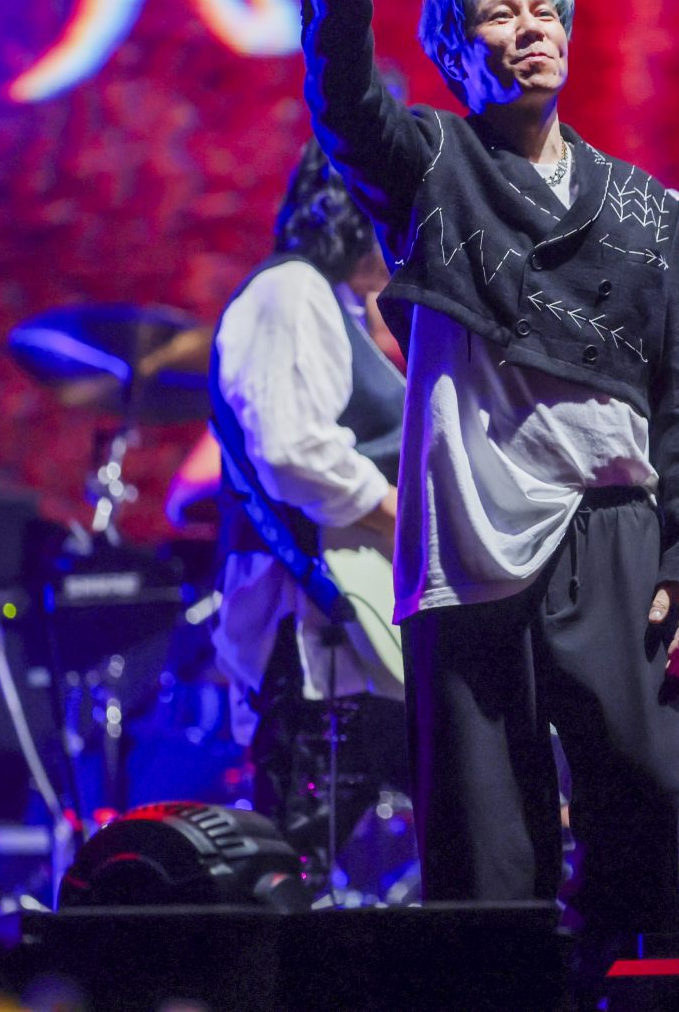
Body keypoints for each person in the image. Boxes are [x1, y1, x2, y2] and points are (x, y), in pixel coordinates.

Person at [297, 0, 679, 980]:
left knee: (647, 800)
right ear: (456, 47)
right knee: (486, 850)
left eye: (543, 10)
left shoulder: (644, 208)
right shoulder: (432, 166)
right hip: (470, 545)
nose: (530, 28)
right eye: (500, 13)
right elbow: (343, 101)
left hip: (614, 533)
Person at [209, 138, 410, 882]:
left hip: (354, 642)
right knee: (291, 870)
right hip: (316, 640)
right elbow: (293, 450)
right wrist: (404, 516)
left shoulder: (333, 304)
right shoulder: (290, 292)